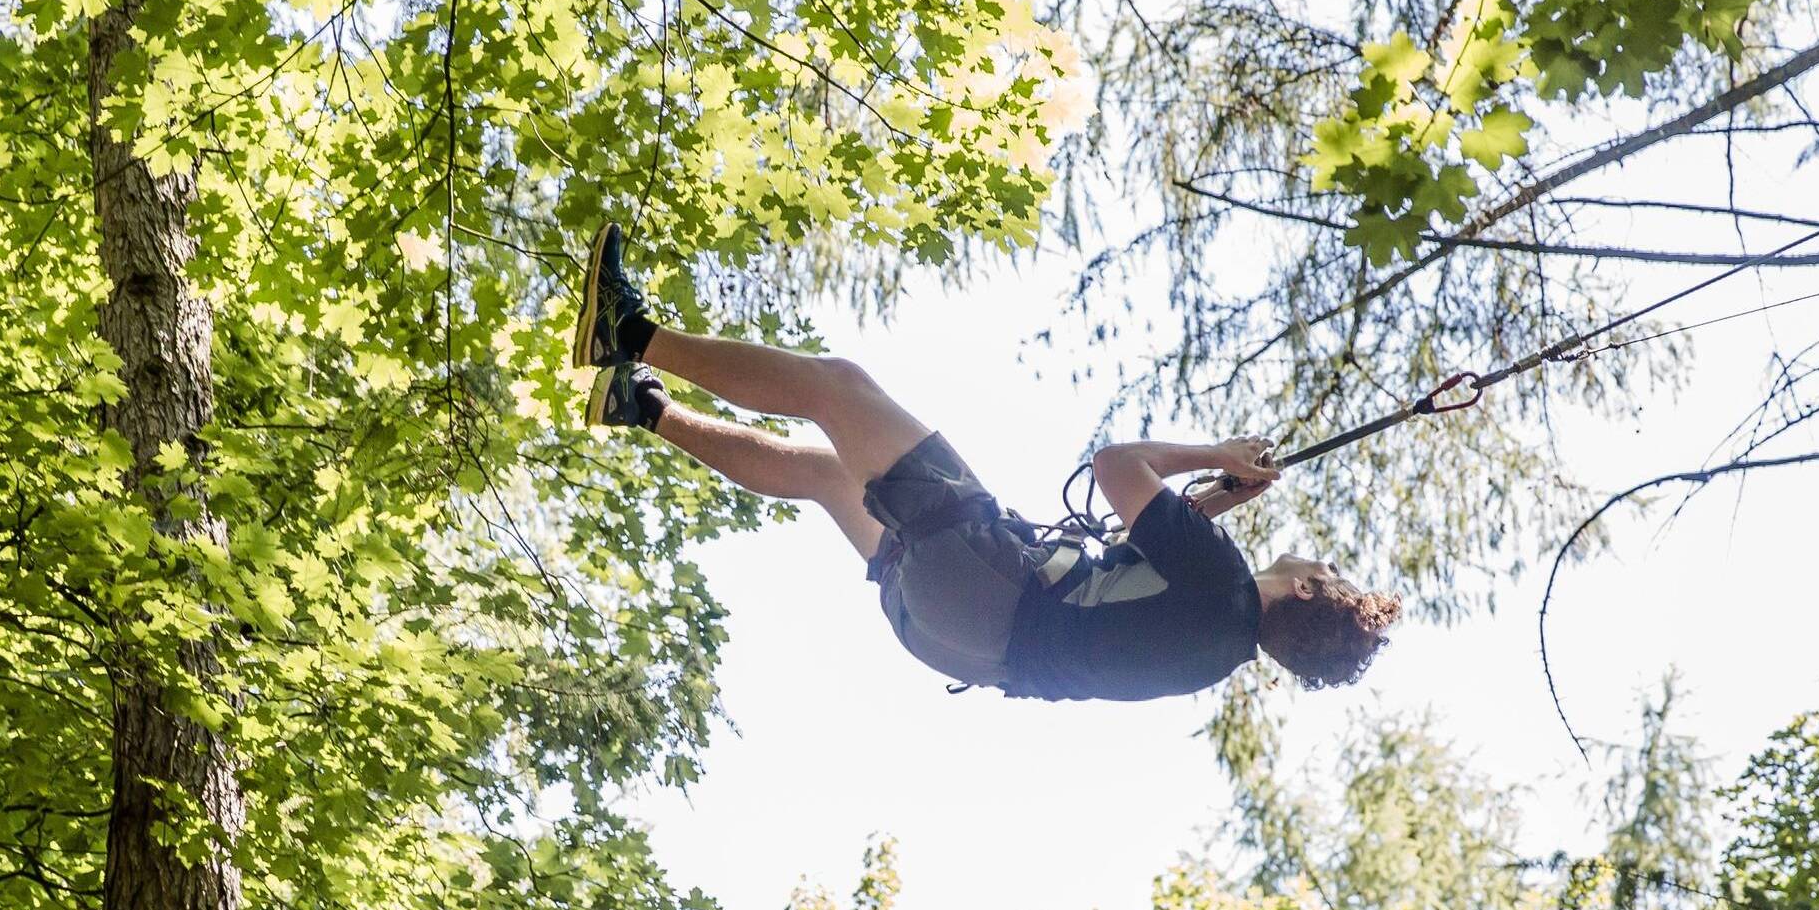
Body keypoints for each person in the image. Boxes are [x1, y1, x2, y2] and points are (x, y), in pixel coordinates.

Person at [573, 223, 1401, 700]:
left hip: (990, 580)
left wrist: (1214, 453)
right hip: (953, 634)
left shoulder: (1222, 583)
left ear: (1305, 590)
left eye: (1327, 569)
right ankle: (642, 407)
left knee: (839, 388)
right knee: (832, 477)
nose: (1319, 557)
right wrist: (1211, 499)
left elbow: (1112, 465)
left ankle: (629, 333)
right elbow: (1122, 567)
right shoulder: (1213, 649)